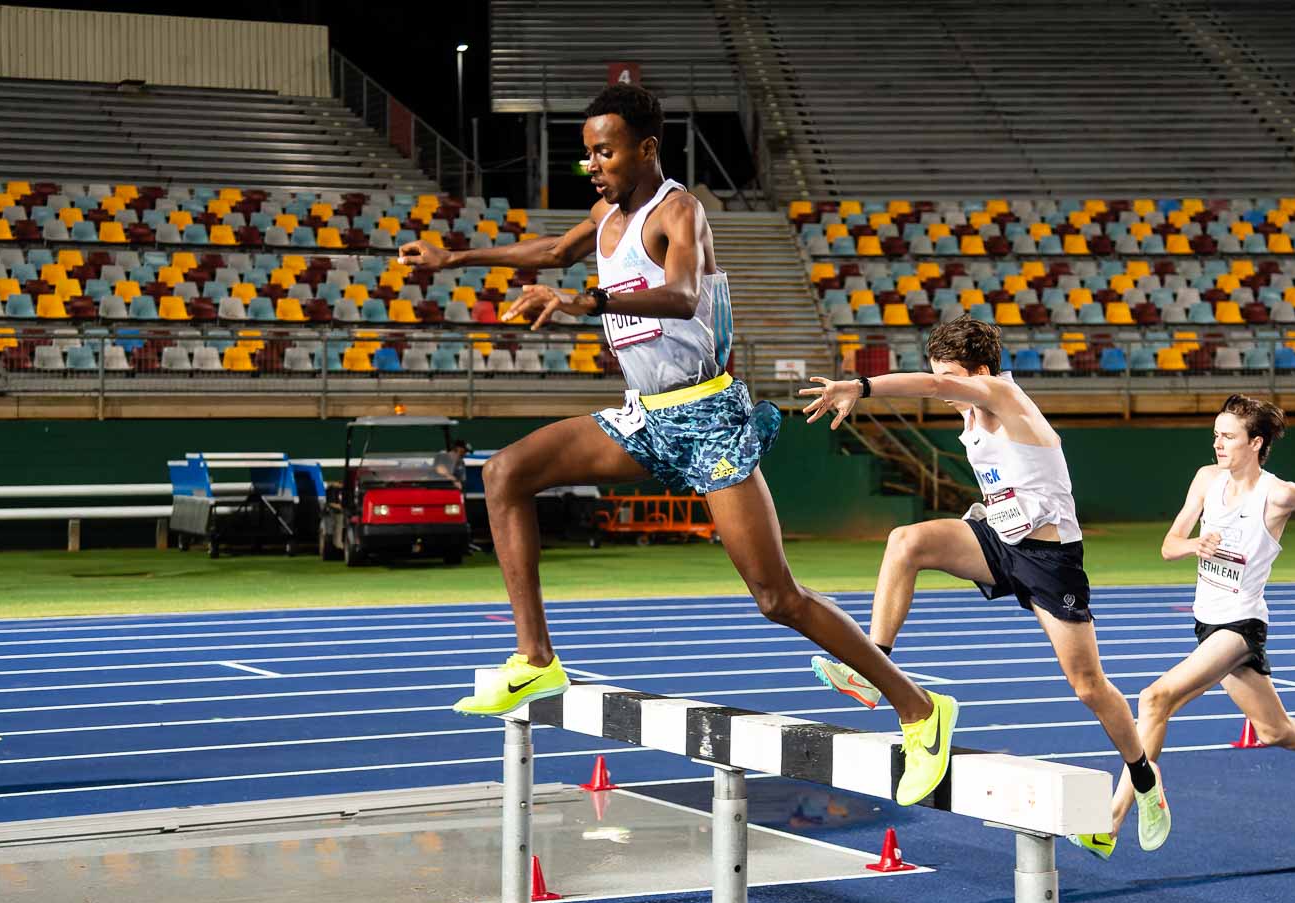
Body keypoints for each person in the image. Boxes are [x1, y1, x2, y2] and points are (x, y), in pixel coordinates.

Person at [399, 83, 957, 806]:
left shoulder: (678, 210)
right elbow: (552, 250)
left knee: (777, 597)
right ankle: (536, 659)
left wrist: (586, 300)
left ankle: (920, 708)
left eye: (605, 152)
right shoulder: (605, 215)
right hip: (647, 416)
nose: (592, 166)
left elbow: (684, 294)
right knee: (506, 473)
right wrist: (452, 258)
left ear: (646, 148)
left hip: (708, 417)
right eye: (587, 154)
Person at [799, 315, 1170, 850]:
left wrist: (860, 386)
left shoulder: (1002, 395)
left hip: (1049, 561)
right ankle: (873, 669)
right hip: (999, 541)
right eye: (939, 372)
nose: (943, 386)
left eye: (951, 375)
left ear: (979, 372)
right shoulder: (970, 409)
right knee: (906, 542)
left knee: (1088, 686)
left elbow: (930, 387)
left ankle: (1144, 779)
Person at [1102, 395, 1295, 851]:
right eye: (1216, 435)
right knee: (1275, 730)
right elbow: (1169, 545)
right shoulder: (1206, 479)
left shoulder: (1279, 494)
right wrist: (1194, 545)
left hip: (1241, 625)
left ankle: (1113, 820)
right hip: (1207, 623)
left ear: (1255, 443)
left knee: (1154, 699)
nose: (1217, 444)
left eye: (1228, 437)